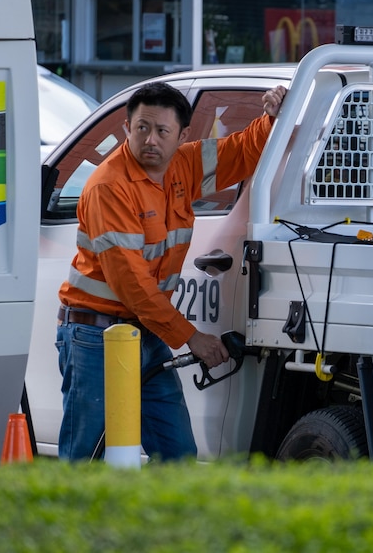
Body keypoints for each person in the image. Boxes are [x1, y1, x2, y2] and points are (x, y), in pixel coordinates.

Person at [56, 81, 287, 461]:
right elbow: (132, 284)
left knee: (176, 454)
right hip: (94, 336)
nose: (150, 139)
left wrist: (271, 118)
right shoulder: (109, 187)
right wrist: (190, 336)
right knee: (85, 460)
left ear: (181, 135)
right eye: (142, 128)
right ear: (127, 128)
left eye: (162, 131)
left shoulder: (184, 165)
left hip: (144, 333)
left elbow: (242, 152)